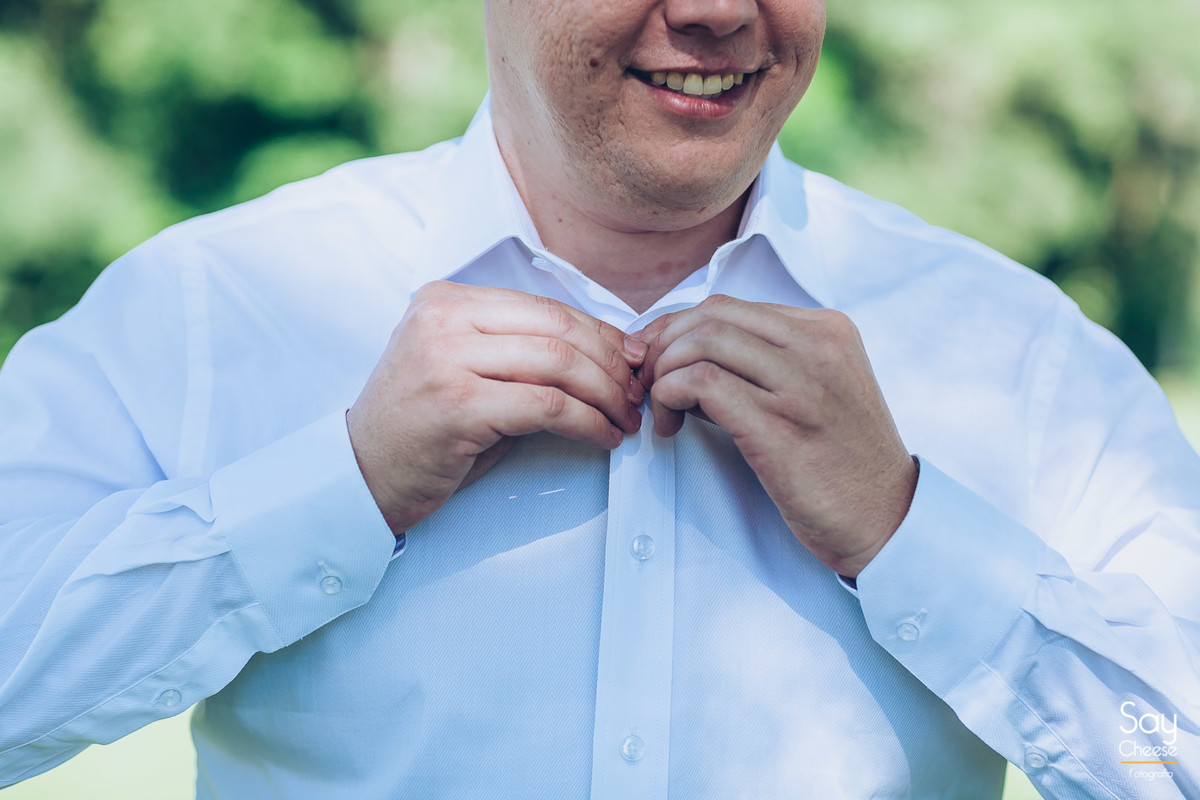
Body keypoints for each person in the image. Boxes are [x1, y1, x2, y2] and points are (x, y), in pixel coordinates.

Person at [1, 0, 1197, 796]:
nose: (721, 9)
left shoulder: (1020, 354)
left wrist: (912, 531)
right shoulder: (217, 308)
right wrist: (333, 489)